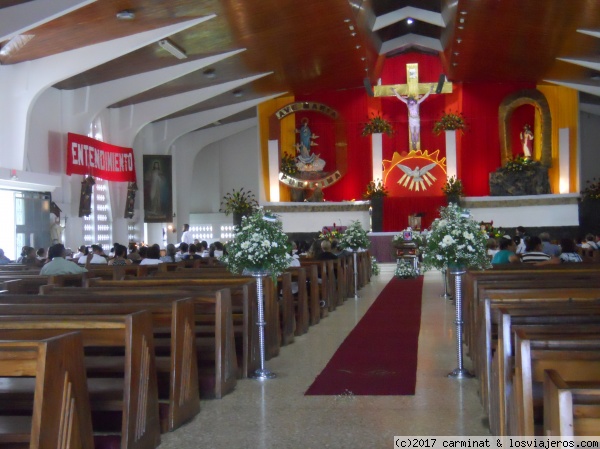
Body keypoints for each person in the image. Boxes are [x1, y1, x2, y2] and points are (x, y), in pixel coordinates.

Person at [392, 85, 433, 151]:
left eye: (412, 101)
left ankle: (415, 143)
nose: (411, 103)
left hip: (416, 119)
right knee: (412, 132)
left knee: (416, 133)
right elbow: (399, 98)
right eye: (410, 101)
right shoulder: (407, 103)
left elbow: (425, 97)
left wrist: (430, 90)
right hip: (411, 119)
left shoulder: (417, 103)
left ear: (414, 100)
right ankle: (413, 144)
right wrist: (394, 91)